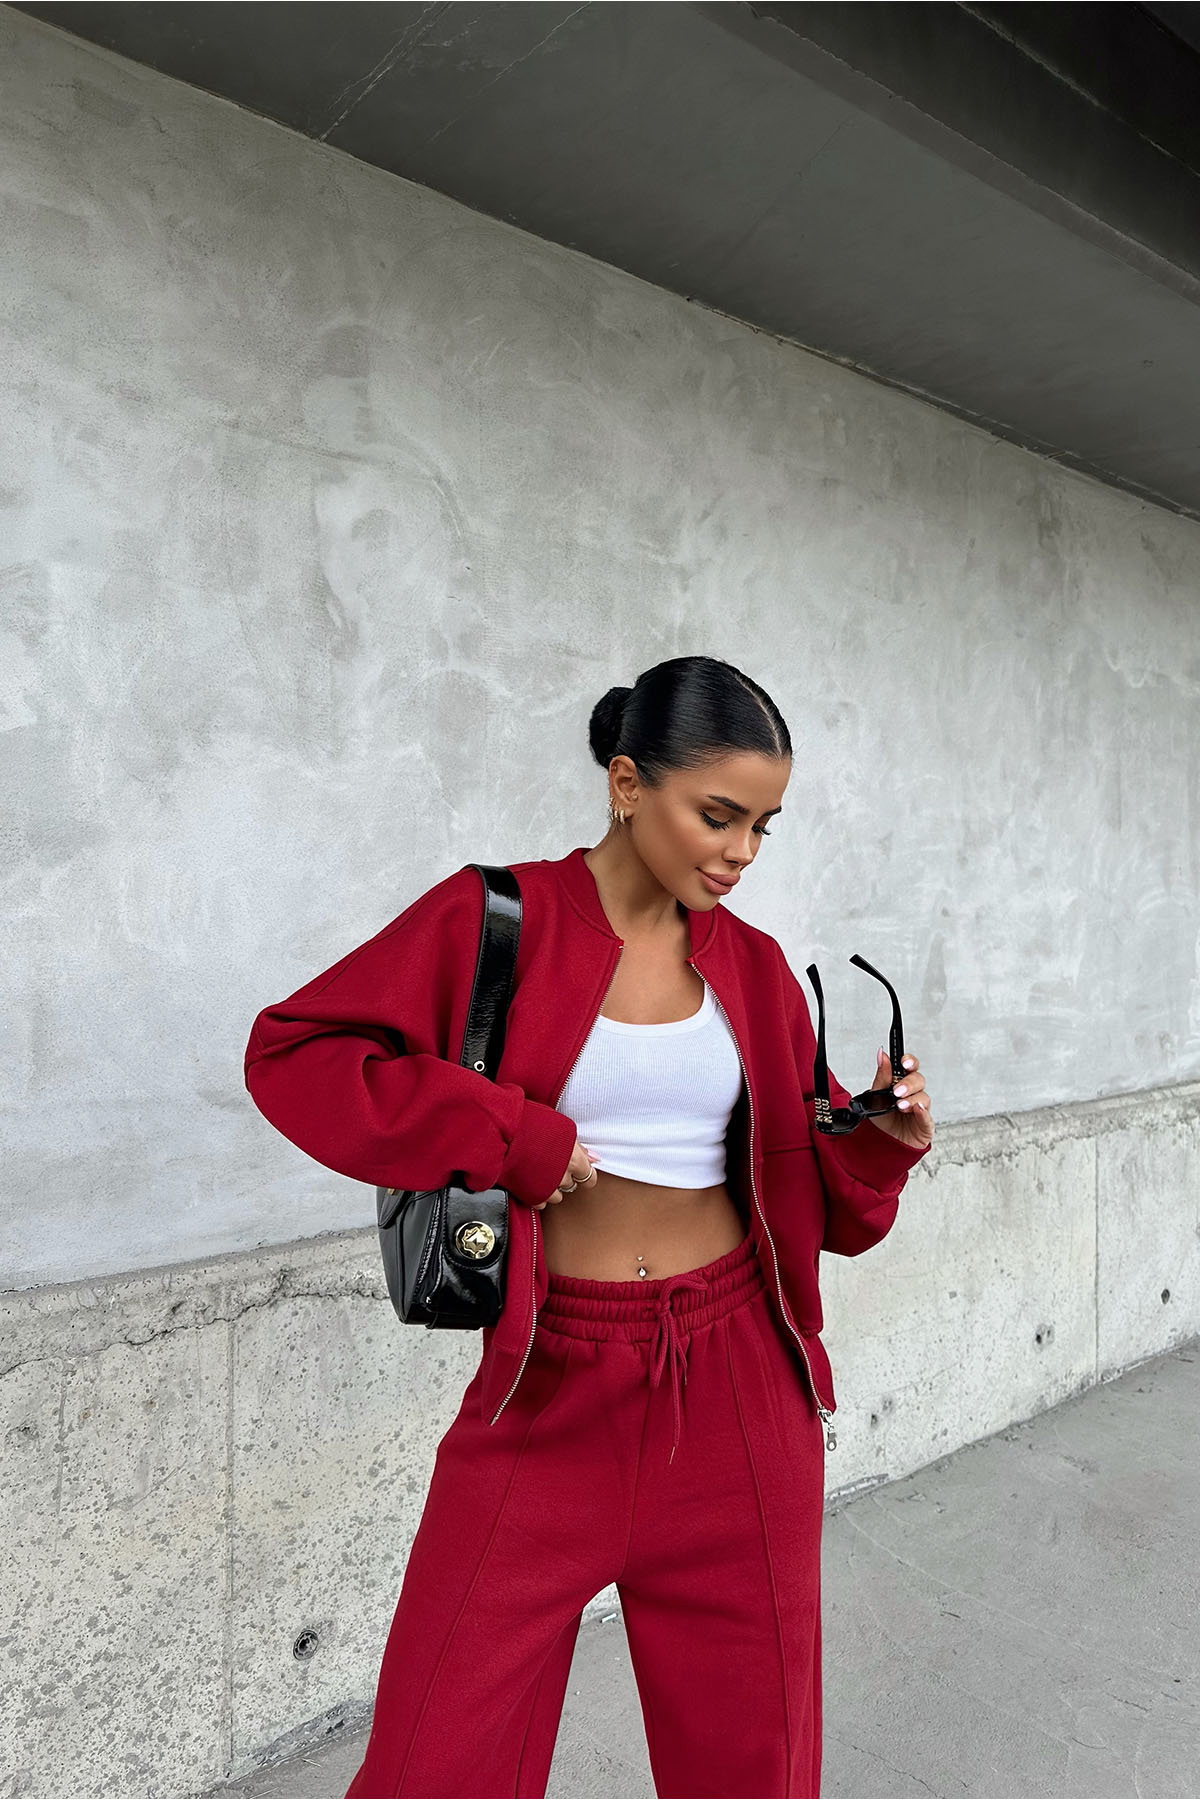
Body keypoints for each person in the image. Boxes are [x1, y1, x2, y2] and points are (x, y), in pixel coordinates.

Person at [243, 654, 934, 1800]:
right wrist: (510, 1135)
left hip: (740, 1393)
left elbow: (822, 1208)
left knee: (751, 1770)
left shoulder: (756, 969)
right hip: (548, 1388)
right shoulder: (494, 919)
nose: (742, 853)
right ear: (627, 784)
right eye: (718, 815)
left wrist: (880, 1142)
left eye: (763, 827)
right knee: (431, 1764)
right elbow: (296, 1054)